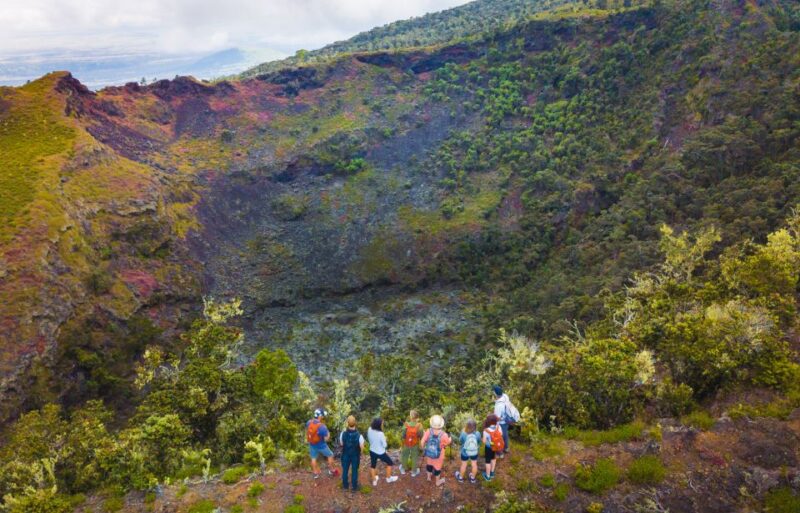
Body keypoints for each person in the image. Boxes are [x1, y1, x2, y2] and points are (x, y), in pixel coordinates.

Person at [306, 408, 339, 479]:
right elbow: (326, 439)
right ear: (320, 416)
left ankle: (316, 473)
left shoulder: (309, 422)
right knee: (330, 455)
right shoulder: (322, 426)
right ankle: (332, 470)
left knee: (313, 458)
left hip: (312, 444)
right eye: (322, 415)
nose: (323, 417)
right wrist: (328, 434)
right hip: (321, 445)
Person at [420, 414, 452, 486]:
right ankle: (437, 482)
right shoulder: (444, 434)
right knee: (437, 468)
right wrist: (450, 439)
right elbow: (447, 443)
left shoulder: (428, 431)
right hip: (439, 455)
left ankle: (428, 477)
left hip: (429, 453)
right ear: (441, 424)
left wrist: (424, 449)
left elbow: (422, 442)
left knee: (429, 464)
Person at [367, 417, 398, 485]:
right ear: (379, 425)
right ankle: (388, 478)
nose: (382, 425)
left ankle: (374, 481)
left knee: (373, 465)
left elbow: (369, 438)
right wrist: (385, 439)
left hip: (372, 450)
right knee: (390, 463)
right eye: (382, 423)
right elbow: (385, 445)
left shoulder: (369, 429)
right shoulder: (380, 434)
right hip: (380, 452)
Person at [339, 415, 365, 492]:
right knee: (354, 471)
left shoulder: (342, 434)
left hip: (345, 454)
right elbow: (362, 447)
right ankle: (354, 487)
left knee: (345, 470)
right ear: (355, 423)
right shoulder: (360, 436)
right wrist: (361, 452)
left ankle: (345, 486)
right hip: (355, 455)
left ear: (347, 423)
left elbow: (341, 444)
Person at [493, 385, 519, 456]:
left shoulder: (499, 406)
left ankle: (501, 451)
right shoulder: (505, 396)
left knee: (500, 436)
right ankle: (506, 448)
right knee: (505, 435)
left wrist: (496, 427)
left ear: (495, 393)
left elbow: (497, 418)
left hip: (502, 422)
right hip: (507, 419)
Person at [455, 418, 481, 484]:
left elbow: (460, 440)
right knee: (474, 464)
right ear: (475, 426)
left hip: (464, 452)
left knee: (463, 465)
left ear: (467, 426)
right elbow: (478, 442)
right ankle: (473, 478)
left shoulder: (464, 433)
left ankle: (460, 478)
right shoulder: (477, 433)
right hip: (474, 452)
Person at [399, 410, 422, 477]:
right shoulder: (419, 425)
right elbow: (421, 435)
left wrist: (401, 445)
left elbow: (402, 435)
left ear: (410, 417)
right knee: (414, 457)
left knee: (405, 455)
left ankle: (403, 470)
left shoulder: (406, 424)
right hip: (415, 444)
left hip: (406, 443)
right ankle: (414, 472)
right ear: (417, 417)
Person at [482, 413, 504, 481]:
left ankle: (487, 476)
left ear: (488, 421)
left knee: (488, 461)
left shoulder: (486, 430)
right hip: (497, 447)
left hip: (489, 448)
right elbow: (501, 434)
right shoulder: (498, 427)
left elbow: (484, 441)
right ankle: (492, 473)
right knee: (494, 459)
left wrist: (483, 439)